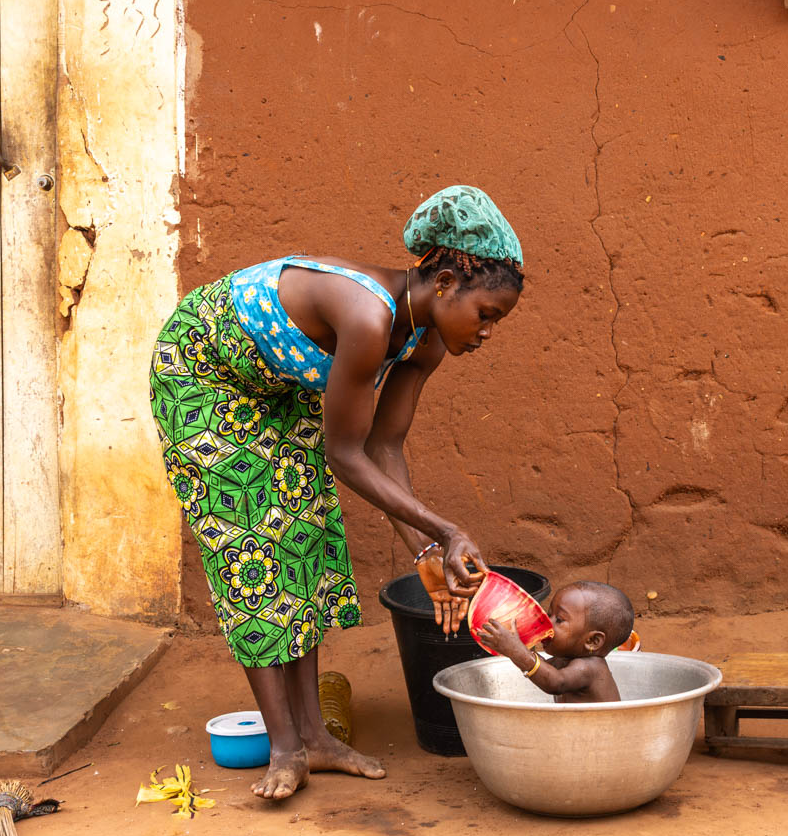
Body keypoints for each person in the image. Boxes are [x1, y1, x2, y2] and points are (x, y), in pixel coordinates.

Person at [150, 185, 525, 798]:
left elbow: (382, 449)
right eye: (486, 315)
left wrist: (425, 554)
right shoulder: (368, 316)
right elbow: (345, 454)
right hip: (203, 378)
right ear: (448, 280)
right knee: (250, 545)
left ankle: (316, 740)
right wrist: (447, 532)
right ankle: (284, 747)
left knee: (301, 536)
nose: (487, 333)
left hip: (276, 385)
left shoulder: (424, 339)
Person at [478, 581, 634, 703]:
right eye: (549, 614)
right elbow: (542, 669)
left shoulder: (590, 667)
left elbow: (555, 682)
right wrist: (516, 644)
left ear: (592, 641)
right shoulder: (565, 660)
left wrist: (517, 652)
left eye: (559, 620)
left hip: (603, 737)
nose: (547, 623)